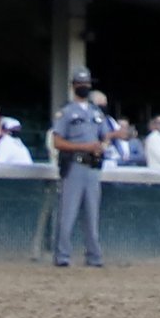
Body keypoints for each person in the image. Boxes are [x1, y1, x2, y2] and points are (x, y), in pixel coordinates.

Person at [50, 68, 116, 268]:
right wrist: (84, 147)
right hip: (74, 166)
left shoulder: (96, 112)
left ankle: (94, 256)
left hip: (92, 167)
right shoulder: (66, 112)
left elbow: (105, 136)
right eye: (81, 83)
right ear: (73, 86)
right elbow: (58, 141)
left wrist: (102, 147)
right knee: (67, 214)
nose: (84, 87)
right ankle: (62, 256)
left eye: (87, 83)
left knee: (92, 214)